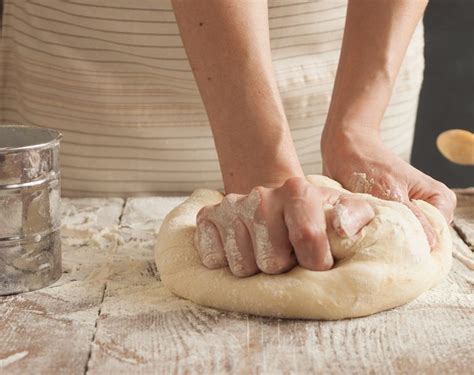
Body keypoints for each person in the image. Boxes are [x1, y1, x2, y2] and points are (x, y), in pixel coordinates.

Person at [0, 1, 456, 277]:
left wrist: (357, 129)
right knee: (81, 250)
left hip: (346, 52)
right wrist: (261, 158)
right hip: (107, 77)